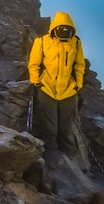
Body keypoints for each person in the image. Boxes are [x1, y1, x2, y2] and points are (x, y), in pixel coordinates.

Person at [28, 12, 86, 156]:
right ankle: (53, 157)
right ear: (54, 28)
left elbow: (79, 65)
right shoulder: (42, 41)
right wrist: (36, 81)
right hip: (47, 89)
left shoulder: (76, 42)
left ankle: (68, 159)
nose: (64, 33)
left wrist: (78, 84)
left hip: (69, 91)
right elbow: (33, 64)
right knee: (50, 127)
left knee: (66, 128)